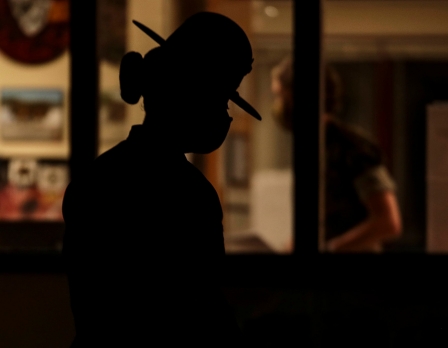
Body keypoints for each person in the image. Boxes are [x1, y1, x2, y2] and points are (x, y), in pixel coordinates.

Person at [62, 12, 261, 347]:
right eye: (222, 97)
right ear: (188, 94)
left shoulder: (96, 178)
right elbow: (198, 309)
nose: (225, 113)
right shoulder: (188, 192)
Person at [271, 57, 401, 253]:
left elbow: (388, 222)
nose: (278, 105)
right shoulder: (313, 147)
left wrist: (330, 250)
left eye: (281, 95)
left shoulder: (352, 147)